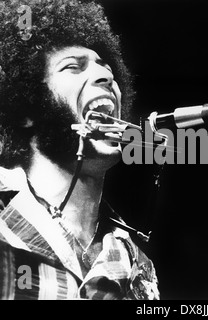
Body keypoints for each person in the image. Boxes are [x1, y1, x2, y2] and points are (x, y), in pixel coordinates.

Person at [0, 0, 159, 300]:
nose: (106, 77)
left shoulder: (139, 267)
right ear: (25, 109)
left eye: (107, 68)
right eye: (73, 67)